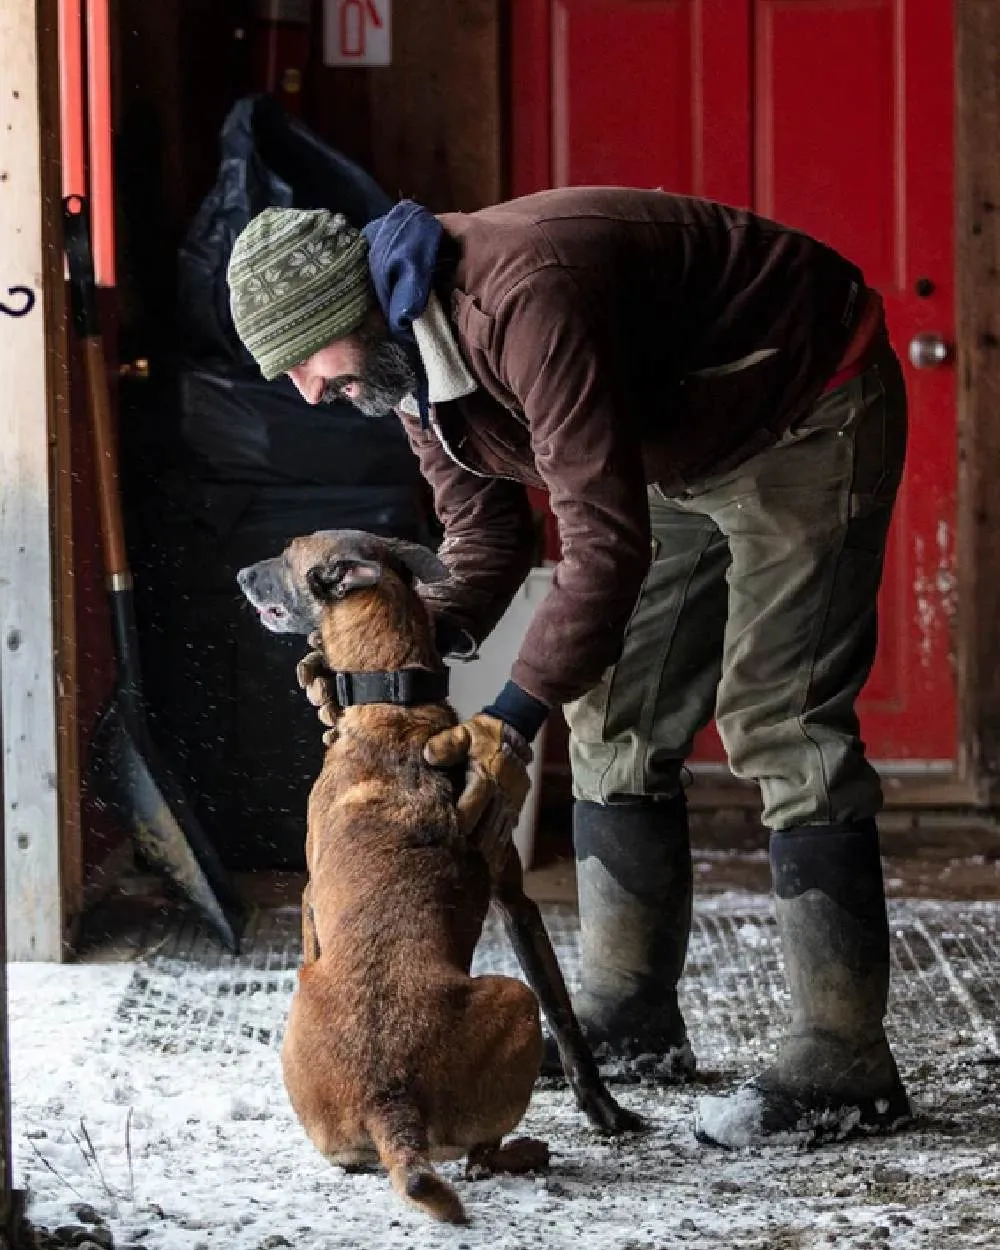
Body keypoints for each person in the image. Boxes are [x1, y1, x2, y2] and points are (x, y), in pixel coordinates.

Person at [226, 188, 912, 1148]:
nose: (307, 390)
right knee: (614, 713)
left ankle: (845, 1062)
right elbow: (482, 528)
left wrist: (508, 719)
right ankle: (630, 1018)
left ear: (353, 310)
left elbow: (603, 548)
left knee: (779, 714)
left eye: (305, 360)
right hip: (672, 438)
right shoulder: (405, 363)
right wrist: (405, 663)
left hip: (802, 399)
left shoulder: (520, 299)